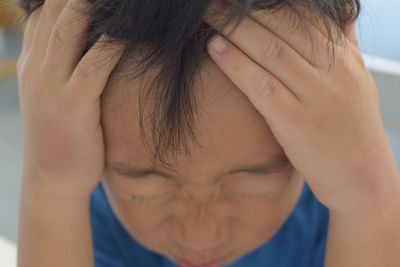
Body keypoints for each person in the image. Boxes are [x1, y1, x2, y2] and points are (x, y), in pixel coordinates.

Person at [15, 0, 400, 267]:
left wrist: (368, 202)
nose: (200, 237)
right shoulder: (86, 215)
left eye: (257, 178)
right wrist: (52, 185)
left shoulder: (339, 197)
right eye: (142, 184)